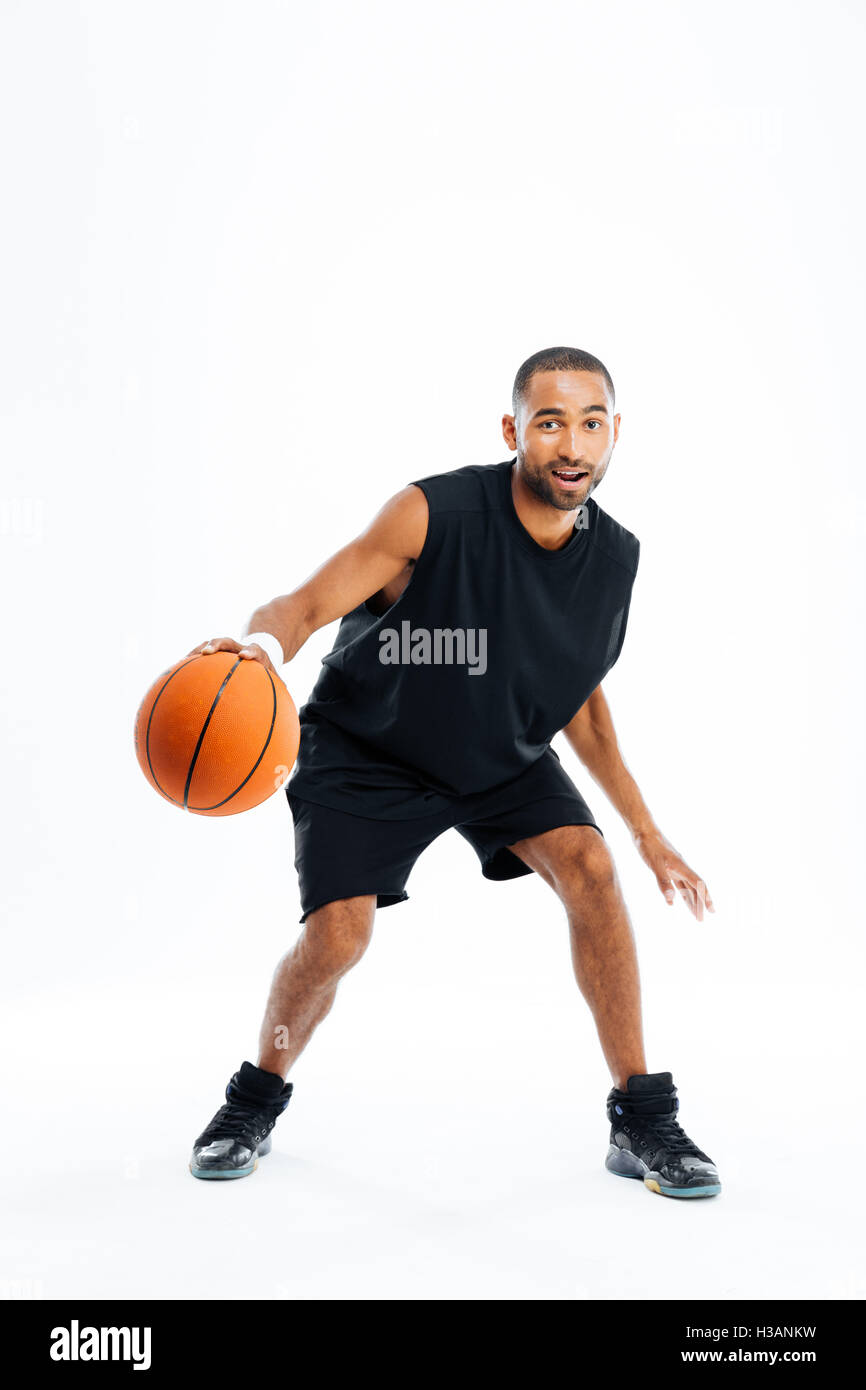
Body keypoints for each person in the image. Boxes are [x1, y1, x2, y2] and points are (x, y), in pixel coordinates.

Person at [185, 346, 720, 1199]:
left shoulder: (615, 559)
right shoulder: (431, 514)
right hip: (369, 748)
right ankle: (253, 1099)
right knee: (337, 939)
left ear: (615, 433)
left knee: (591, 868)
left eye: (590, 423)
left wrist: (648, 833)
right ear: (514, 430)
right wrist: (256, 648)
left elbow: (578, 699)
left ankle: (642, 1118)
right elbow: (307, 604)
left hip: (497, 756)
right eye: (549, 423)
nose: (571, 444)